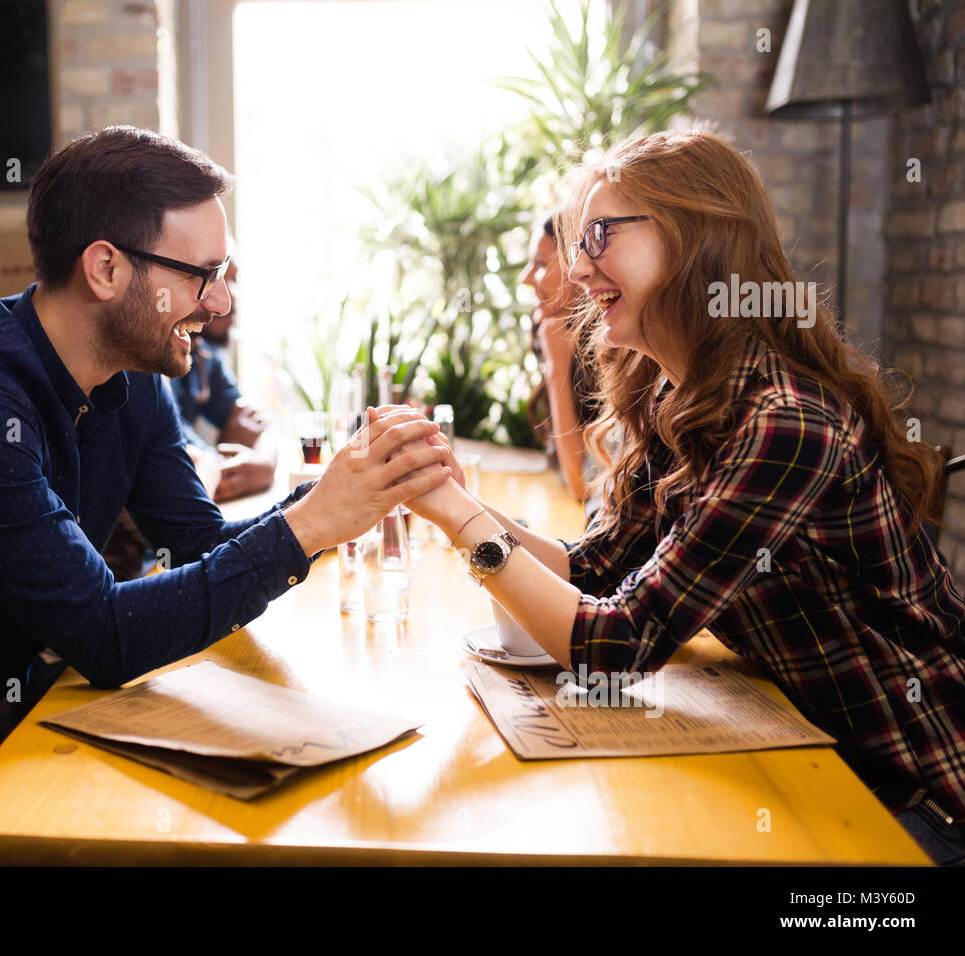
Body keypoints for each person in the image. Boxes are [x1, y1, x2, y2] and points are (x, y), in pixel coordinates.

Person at [0, 126, 452, 865]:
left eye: (228, 271)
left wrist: (345, 491)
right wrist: (313, 522)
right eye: (203, 273)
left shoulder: (136, 384)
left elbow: (203, 546)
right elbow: (105, 635)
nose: (221, 302)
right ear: (106, 269)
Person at [404, 129, 965, 865]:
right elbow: (593, 568)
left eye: (599, 236)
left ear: (696, 238)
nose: (576, 269)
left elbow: (616, 647)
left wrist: (459, 520)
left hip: (916, 807)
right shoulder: (682, 394)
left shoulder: (784, 426)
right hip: (813, 758)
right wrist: (447, 490)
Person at [169, 255, 279, 503]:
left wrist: (265, 463)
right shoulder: (154, 360)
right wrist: (226, 460)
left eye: (234, 280)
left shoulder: (204, 354)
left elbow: (254, 422)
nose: (231, 298)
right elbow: (181, 469)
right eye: (213, 278)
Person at [521, 211, 599, 509]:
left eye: (540, 264)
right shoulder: (568, 341)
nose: (526, 278)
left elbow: (583, 486)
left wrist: (556, 366)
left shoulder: (615, 356)